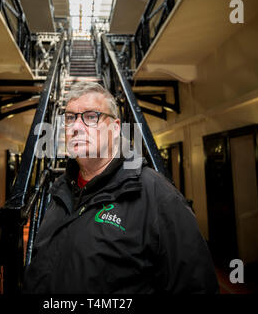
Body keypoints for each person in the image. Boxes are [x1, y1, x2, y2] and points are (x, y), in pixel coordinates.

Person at [23, 81, 219, 294]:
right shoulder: (60, 190)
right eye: (70, 118)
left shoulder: (158, 197)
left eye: (90, 117)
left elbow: (196, 286)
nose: (76, 127)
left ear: (115, 128)